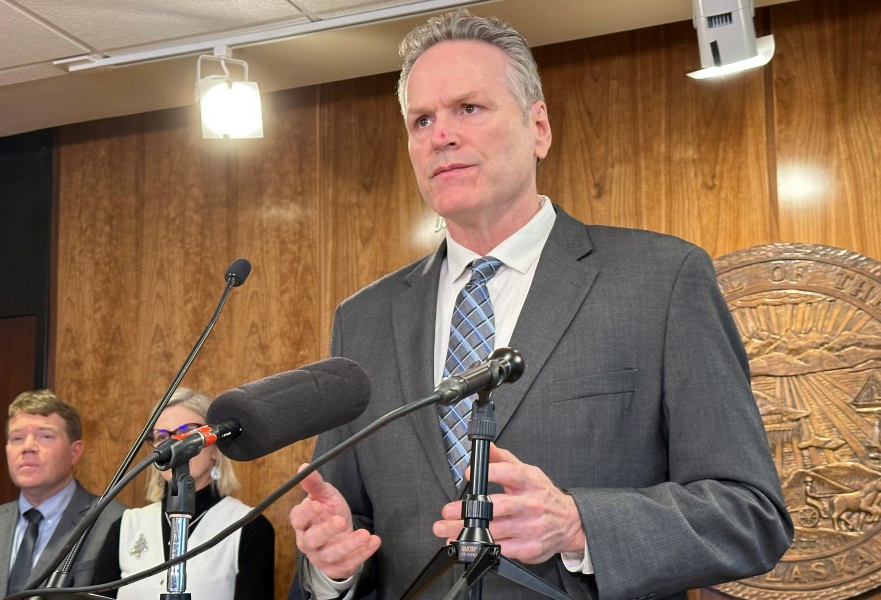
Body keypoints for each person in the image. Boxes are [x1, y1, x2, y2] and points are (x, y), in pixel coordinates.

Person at [289, 9, 793, 600]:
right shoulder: (363, 321)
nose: (440, 135)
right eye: (421, 119)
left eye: (468, 109)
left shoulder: (661, 279)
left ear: (539, 129)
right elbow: (350, 523)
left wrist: (579, 523)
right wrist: (332, 569)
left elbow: (750, 515)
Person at [94, 387, 275, 599]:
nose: (174, 446)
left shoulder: (248, 527)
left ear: (215, 450)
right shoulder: (126, 526)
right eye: (162, 437)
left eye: (187, 433)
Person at [0, 389, 127, 600]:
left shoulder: (114, 522)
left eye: (45, 436)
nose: (28, 447)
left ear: (75, 452)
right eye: (17, 438)